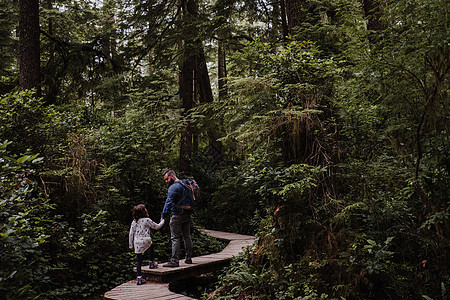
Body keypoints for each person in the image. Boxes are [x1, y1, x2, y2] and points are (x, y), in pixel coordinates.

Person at [161, 169, 193, 267]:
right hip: (187, 214)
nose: (166, 181)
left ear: (172, 176)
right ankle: (188, 258)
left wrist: (163, 215)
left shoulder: (173, 187)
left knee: (175, 238)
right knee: (187, 236)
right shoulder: (186, 185)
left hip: (176, 216)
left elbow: (169, 202)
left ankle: (175, 261)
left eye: (167, 179)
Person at [129, 204, 165, 285]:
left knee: (139, 260)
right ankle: (151, 262)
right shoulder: (147, 220)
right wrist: (162, 221)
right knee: (151, 246)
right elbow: (157, 227)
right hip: (146, 240)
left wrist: (130, 245)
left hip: (137, 242)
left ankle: (139, 278)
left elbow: (131, 234)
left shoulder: (134, 221)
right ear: (144, 212)